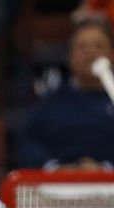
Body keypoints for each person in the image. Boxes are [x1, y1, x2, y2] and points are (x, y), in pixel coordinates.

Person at [13, 19, 114, 169]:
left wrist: (105, 168)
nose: (91, 53)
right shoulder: (50, 103)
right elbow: (27, 142)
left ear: (111, 55)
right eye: (82, 47)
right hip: (57, 183)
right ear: (70, 57)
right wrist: (55, 167)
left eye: (98, 46)